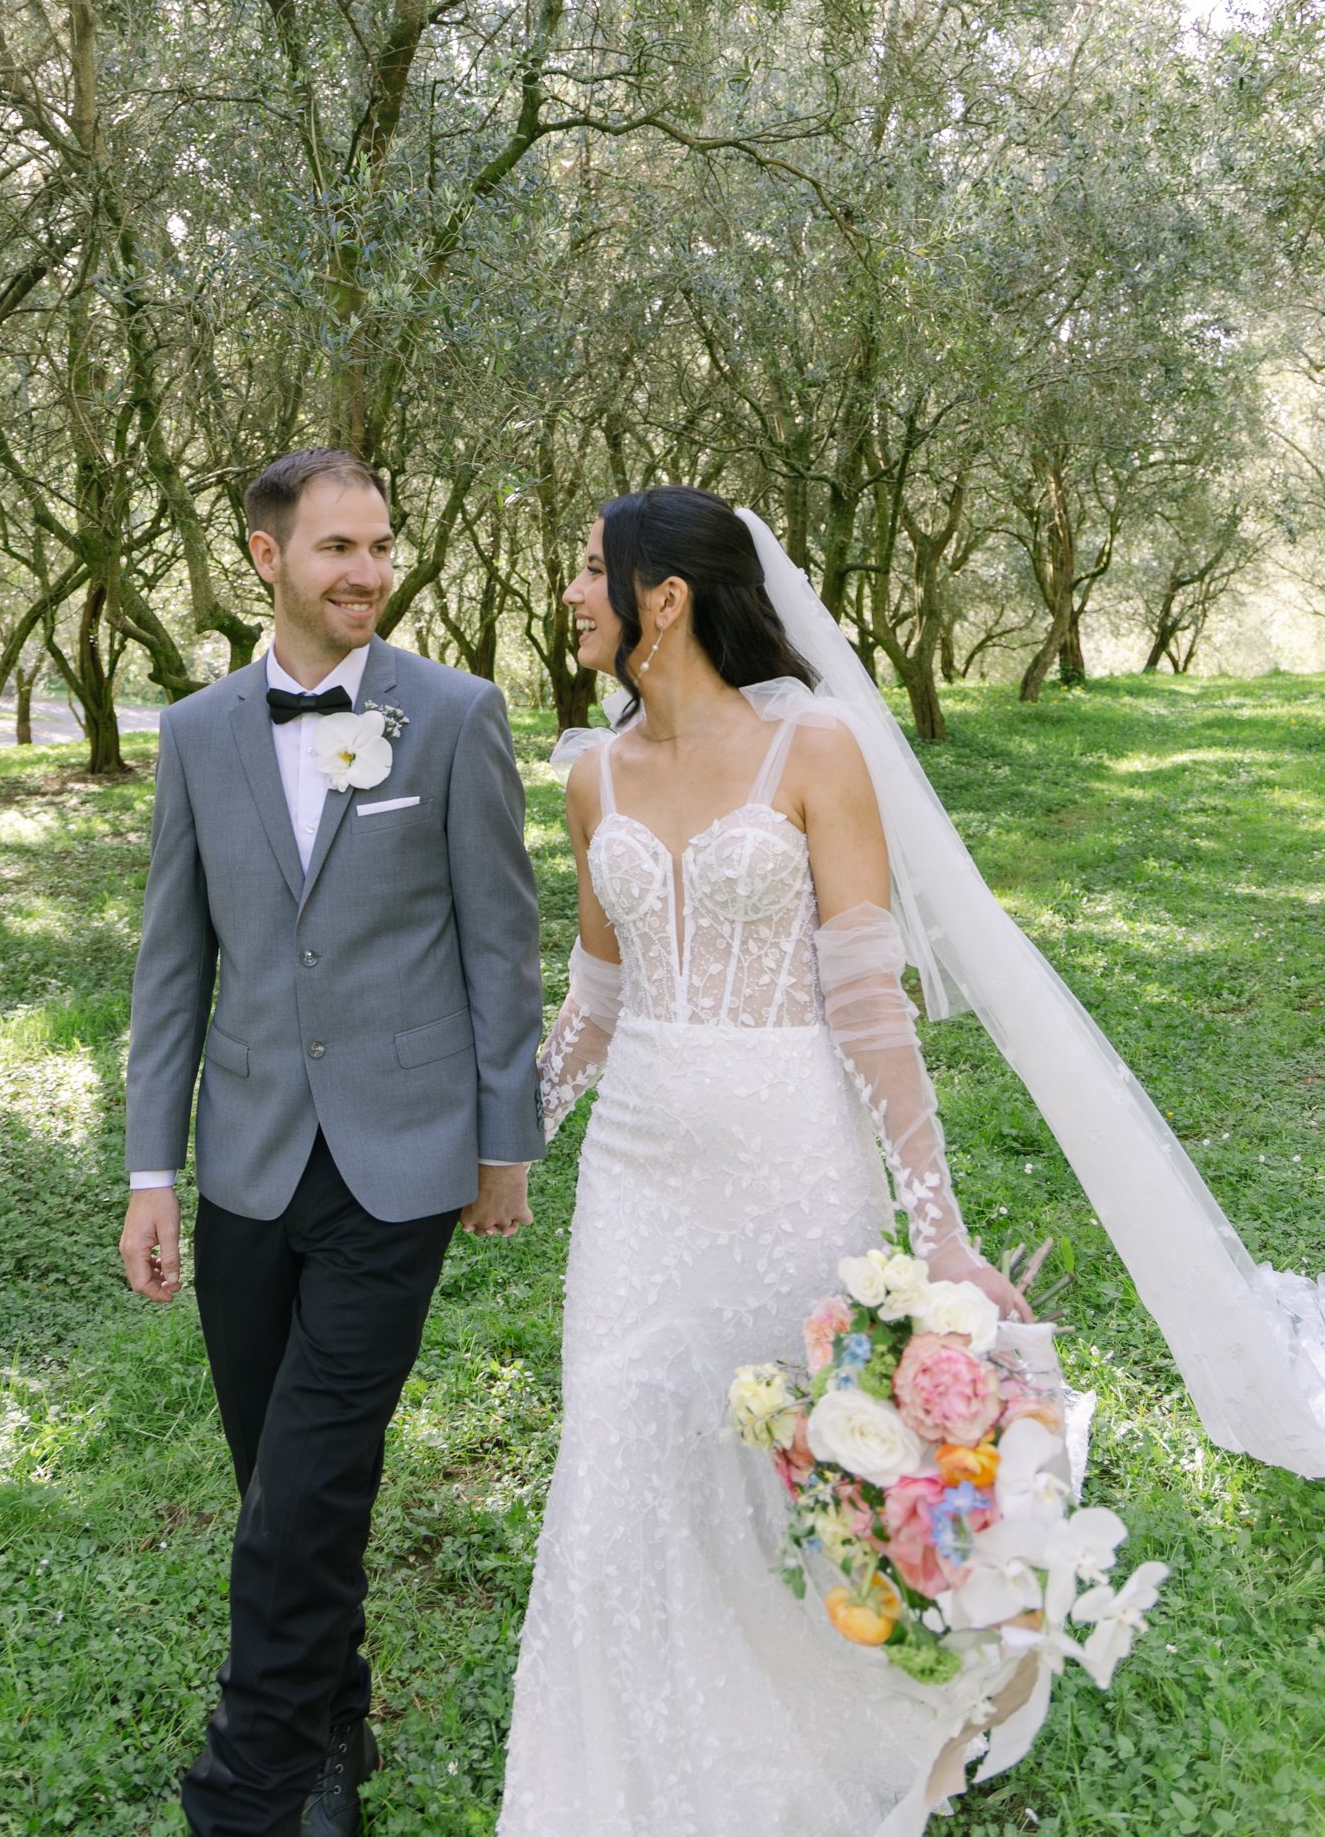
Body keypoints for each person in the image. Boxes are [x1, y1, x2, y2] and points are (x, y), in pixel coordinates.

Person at [500, 485, 1325, 1837]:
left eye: (591, 573)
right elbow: (595, 995)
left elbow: (870, 1004)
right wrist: (506, 1142)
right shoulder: (592, 774)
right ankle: (629, 1772)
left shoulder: (815, 750)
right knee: (625, 1436)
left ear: (664, 598)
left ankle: (846, 1722)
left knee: (794, 1452)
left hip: (792, 1153)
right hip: (639, 1178)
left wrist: (938, 1235)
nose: (570, 596)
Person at [121, 447, 546, 1837]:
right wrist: (150, 1175)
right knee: (277, 1479)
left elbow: (501, 939)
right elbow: (171, 967)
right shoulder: (194, 735)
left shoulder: (457, 713)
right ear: (266, 557)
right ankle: (332, 1728)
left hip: (402, 1158)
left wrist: (504, 1145)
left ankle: (249, 1786)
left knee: (307, 1478)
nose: (367, 572)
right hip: (246, 1157)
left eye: (379, 546)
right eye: (336, 550)